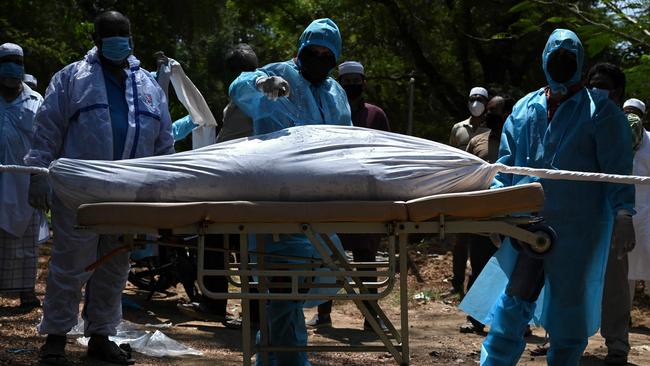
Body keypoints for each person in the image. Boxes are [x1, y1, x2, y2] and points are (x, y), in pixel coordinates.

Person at [462, 29, 634, 365]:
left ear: (580, 64)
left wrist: (624, 212)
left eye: (568, 59)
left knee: (568, 308)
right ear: (544, 60)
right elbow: (506, 166)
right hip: (526, 223)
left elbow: (617, 168)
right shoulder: (525, 109)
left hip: (578, 228)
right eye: (555, 58)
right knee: (513, 301)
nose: (561, 64)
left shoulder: (600, 112)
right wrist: (498, 206)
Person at [25, 11, 174, 365]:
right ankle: (56, 340)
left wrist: (166, 189)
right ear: (96, 38)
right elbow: (47, 130)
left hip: (129, 191)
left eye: (122, 32)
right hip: (80, 191)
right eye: (110, 33)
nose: (117, 38)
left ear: (131, 37)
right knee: (70, 264)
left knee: (115, 266)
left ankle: (101, 336)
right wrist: (37, 172)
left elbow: (164, 143)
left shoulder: (150, 85)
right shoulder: (72, 79)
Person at [229, 18, 352, 366]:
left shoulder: (335, 92)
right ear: (301, 49)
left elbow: (349, 141)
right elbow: (240, 86)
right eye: (312, 51)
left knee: (293, 289)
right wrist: (261, 83)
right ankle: (284, 360)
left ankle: (278, 358)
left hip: (318, 202)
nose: (319, 58)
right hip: (278, 198)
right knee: (282, 285)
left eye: (327, 54)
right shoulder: (280, 73)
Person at [177, 43, 259, 328]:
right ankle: (251, 313)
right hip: (252, 184)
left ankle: (216, 304)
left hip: (242, 184)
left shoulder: (245, 98)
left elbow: (229, 144)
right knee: (247, 249)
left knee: (217, 238)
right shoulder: (261, 93)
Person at [306, 60, 389, 331]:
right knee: (328, 255)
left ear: (364, 82)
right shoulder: (326, 111)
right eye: (347, 81)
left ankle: (370, 316)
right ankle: (324, 312)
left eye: (357, 80)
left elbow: (387, 153)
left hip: (366, 197)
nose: (352, 85)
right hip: (333, 195)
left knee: (365, 257)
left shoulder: (376, 115)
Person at [587, 62, 636, 365]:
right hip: (579, 210)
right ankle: (562, 336)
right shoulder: (578, 117)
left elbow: (621, 170)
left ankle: (617, 342)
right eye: (591, 81)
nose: (595, 88)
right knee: (569, 277)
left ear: (616, 91)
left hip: (612, 210)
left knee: (615, 281)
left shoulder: (619, 122)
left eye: (601, 83)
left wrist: (622, 214)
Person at [459, 95, 515, 334]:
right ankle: (476, 318)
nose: (489, 114)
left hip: (512, 214)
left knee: (514, 268)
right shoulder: (477, 141)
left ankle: (515, 323)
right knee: (480, 264)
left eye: (495, 110)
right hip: (482, 214)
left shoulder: (518, 141)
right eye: (488, 110)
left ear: (508, 114)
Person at [0, 43, 48, 309]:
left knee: (25, 241)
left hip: (24, 182)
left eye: (15, 61)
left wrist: (41, 178)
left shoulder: (36, 100)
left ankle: (26, 291)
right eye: (5, 61)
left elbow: (44, 140)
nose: (11, 67)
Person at [448, 87, 490, 296]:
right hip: (463, 187)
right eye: (473, 99)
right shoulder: (458, 128)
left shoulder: (491, 129)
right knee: (460, 239)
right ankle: (456, 284)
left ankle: (475, 288)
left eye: (480, 99)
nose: (476, 103)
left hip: (484, 188)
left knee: (479, 241)